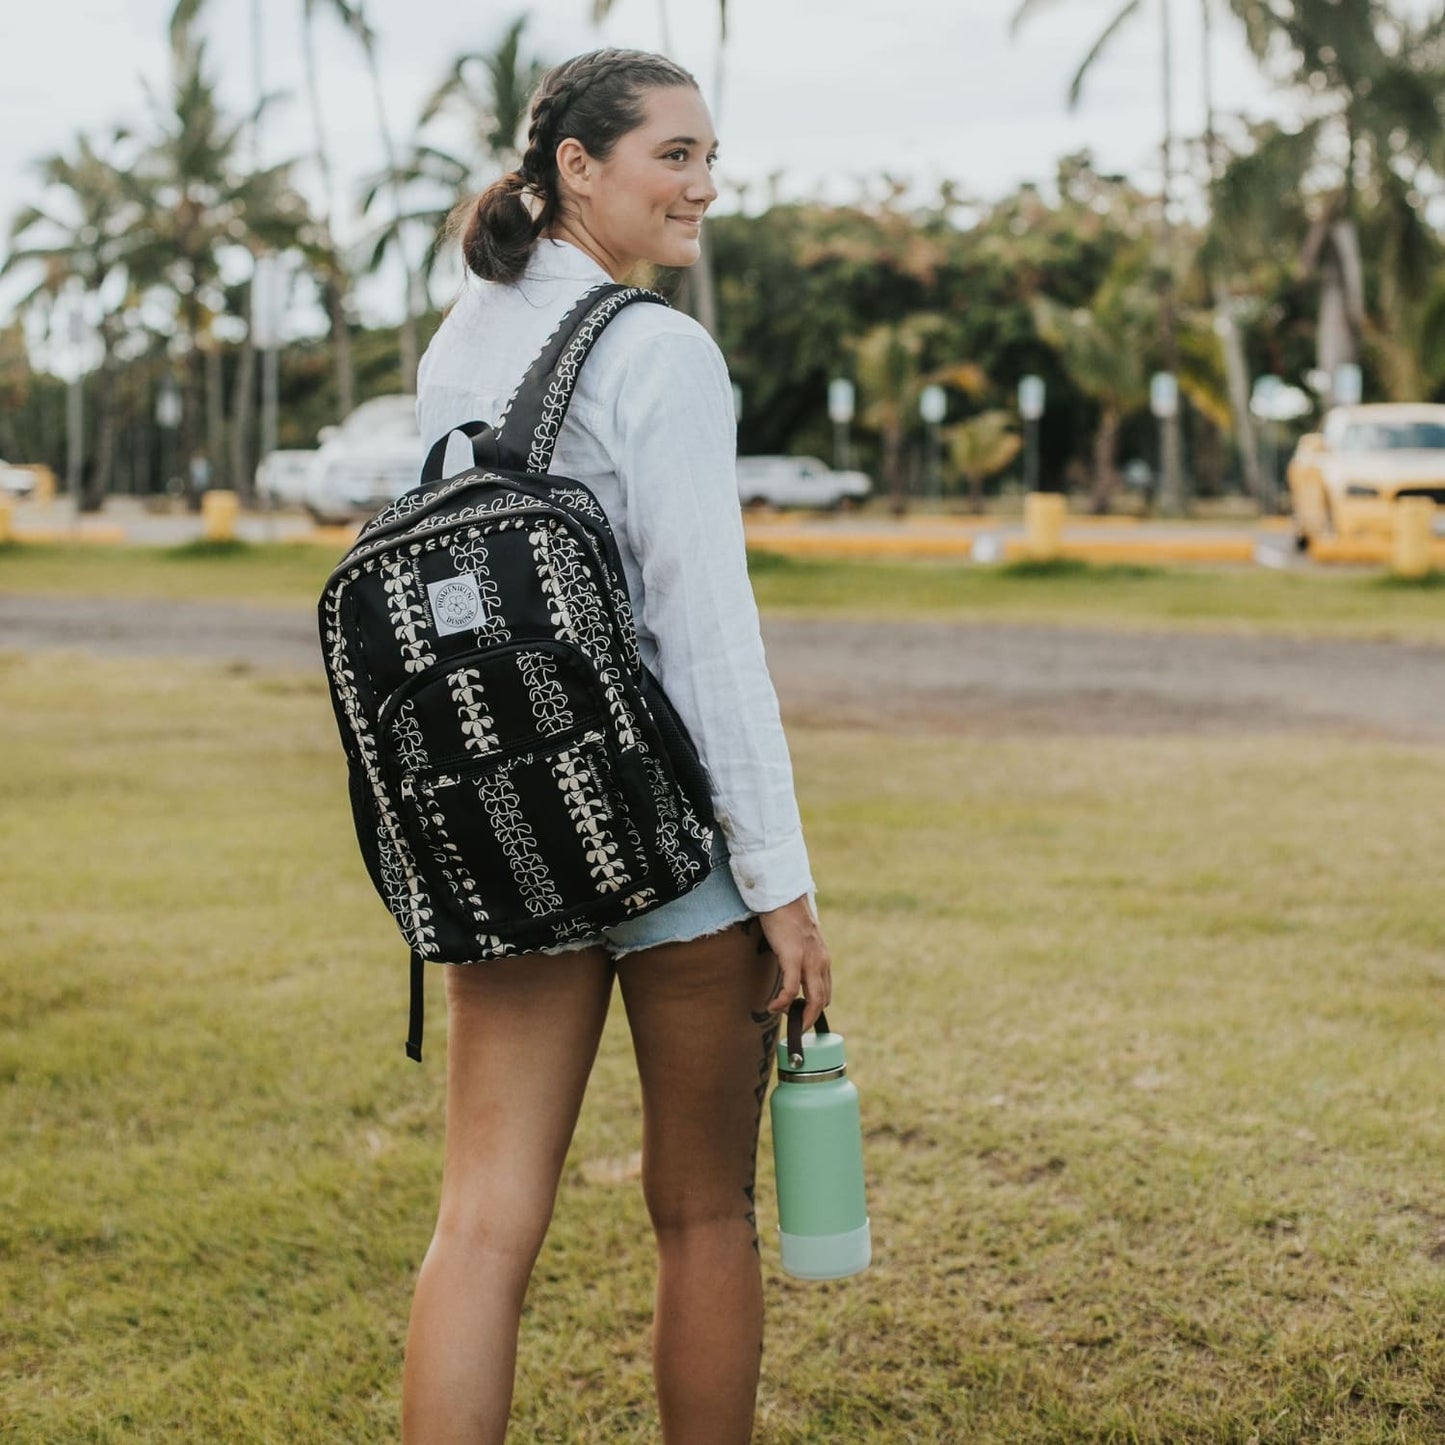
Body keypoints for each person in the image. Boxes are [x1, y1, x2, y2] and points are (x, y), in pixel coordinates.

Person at [402, 47, 832, 1445]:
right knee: (702, 1209)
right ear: (577, 168)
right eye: (675, 156)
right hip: (667, 836)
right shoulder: (657, 352)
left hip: (504, 824)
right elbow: (706, 635)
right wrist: (778, 879)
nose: (705, 185)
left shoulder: (460, 342)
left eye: (711, 157)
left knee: (479, 1223)